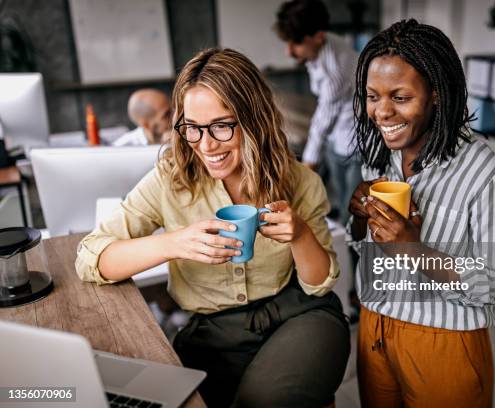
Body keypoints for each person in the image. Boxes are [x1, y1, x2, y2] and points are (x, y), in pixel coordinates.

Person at [76, 48, 350, 408]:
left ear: (253, 119)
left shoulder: (299, 181)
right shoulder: (170, 180)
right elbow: (89, 257)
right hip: (213, 334)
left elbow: (318, 285)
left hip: (300, 316)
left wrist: (300, 236)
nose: (205, 145)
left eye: (221, 126)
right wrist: (172, 244)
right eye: (192, 127)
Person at [348, 20, 495, 407]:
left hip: (443, 341)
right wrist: (360, 217)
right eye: (372, 96)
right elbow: (370, 250)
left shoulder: (486, 176)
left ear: (436, 95)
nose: (381, 112)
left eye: (400, 97)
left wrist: (415, 251)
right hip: (374, 328)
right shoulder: (382, 153)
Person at [275, 0, 361, 224]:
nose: (289, 51)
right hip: (336, 138)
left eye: (296, 44)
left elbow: (322, 123)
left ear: (319, 36)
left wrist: (307, 168)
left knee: (352, 211)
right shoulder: (320, 47)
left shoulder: (337, 69)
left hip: (356, 146)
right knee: (339, 201)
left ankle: (352, 252)